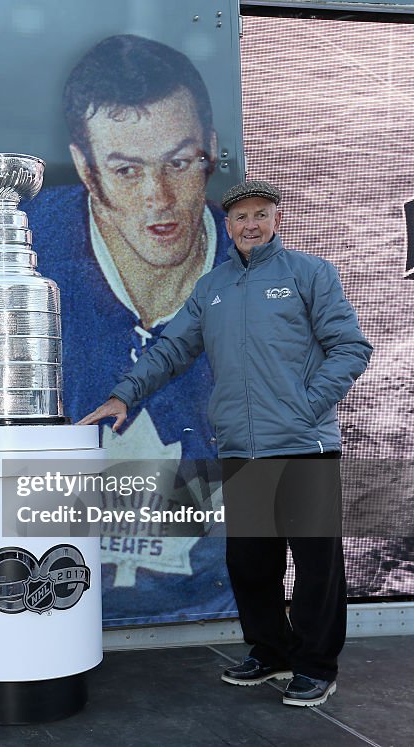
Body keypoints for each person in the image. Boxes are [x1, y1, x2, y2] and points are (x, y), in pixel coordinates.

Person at [0, 34, 236, 621]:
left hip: (211, 614)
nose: (157, 197)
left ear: (211, 152)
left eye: (179, 162)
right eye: (127, 169)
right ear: (87, 168)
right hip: (34, 606)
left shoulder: (259, 272)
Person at [79, 179, 372, 706]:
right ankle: (270, 652)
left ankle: (315, 666)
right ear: (228, 225)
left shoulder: (309, 274)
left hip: (304, 445)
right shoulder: (212, 288)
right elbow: (171, 351)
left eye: (261, 214)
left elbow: (350, 348)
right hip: (241, 448)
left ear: (277, 219)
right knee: (251, 562)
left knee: (315, 567)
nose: (251, 225)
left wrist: (306, 406)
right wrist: (125, 396)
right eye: (240, 217)